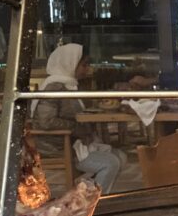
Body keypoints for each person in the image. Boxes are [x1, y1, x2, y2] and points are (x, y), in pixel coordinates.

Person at [32, 43, 125, 193]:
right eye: (84, 65)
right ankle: (91, 200)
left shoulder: (69, 85)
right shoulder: (54, 88)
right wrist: (76, 128)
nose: (87, 69)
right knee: (111, 163)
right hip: (58, 146)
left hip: (74, 143)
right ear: (70, 63)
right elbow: (46, 121)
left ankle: (89, 193)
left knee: (120, 156)